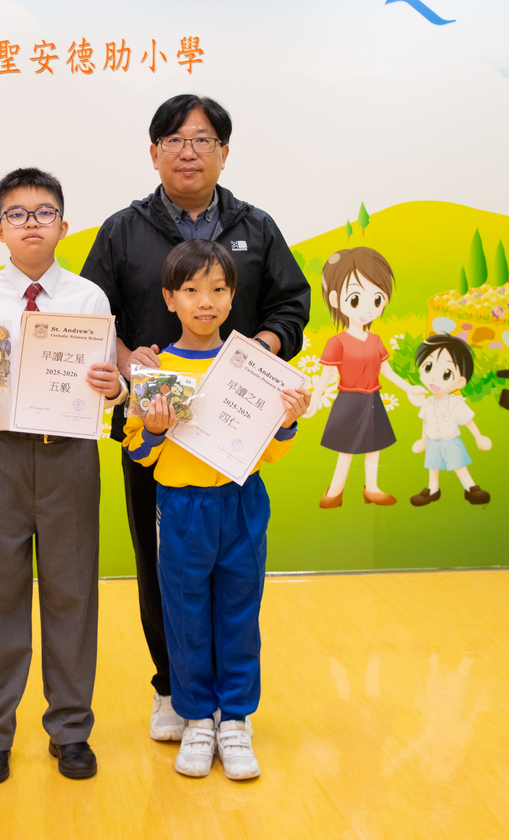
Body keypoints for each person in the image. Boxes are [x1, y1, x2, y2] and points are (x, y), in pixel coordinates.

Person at [80, 93, 311, 741]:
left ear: (224, 153)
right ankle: (172, 689)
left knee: (233, 575)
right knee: (163, 568)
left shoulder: (255, 227)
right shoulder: (122, 231)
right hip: (153, 427)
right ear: (154, 153)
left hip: (236, 429)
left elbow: (291, 305)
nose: (189, 152)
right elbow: (94, 314)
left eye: (203, 140)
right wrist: (128, 364)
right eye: (175, 141)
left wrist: (257, 354)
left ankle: (229, 706)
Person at [0, 168, 125, 785]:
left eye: (44, 213)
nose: (31, 224)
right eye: (16, 214)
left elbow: (106, 391)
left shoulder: (88, 300)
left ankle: (71, 730)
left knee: (73, 592)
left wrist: (114, 388)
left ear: (63, 226)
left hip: (70, 458)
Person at [123, 240, 311, 780]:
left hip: (241, 502)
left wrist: (287, 421)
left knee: (239, 611)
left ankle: (235, 720)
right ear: (170, 298)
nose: (205, 301)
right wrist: (153, 429)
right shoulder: (157, 370)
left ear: (233, 298)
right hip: (182, 507)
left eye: (218, 289)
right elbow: (139, 451)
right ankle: (197, 718)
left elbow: (270, 451)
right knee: (184, 614)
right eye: (191, 290)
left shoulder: (253, 367)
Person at [308, 247, 426, 508]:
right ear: (336, 300)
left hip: (373, 399)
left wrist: (409, 388)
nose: (368, 309)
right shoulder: (337, 342)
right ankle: (334, 491)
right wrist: (314, 400)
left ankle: (372, 488)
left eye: (377, 299)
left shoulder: (376, 340)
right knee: (346, 450)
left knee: (374, 447)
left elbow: (387, 371)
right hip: (349, 401)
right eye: (355, 299)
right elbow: (325, 376)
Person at [408, 333, 492, 505]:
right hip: (432, 442)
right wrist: (422, 441)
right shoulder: (427, 403)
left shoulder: (454, 403)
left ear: (460, 382)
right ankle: (433, 490)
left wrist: (479, 437)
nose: (433, 378)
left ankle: (471, 488)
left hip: (450, 441)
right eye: (428, 367)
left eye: (446, 374)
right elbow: (425, 423)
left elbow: (468, 421)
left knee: (459, 466)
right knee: (433, 467)